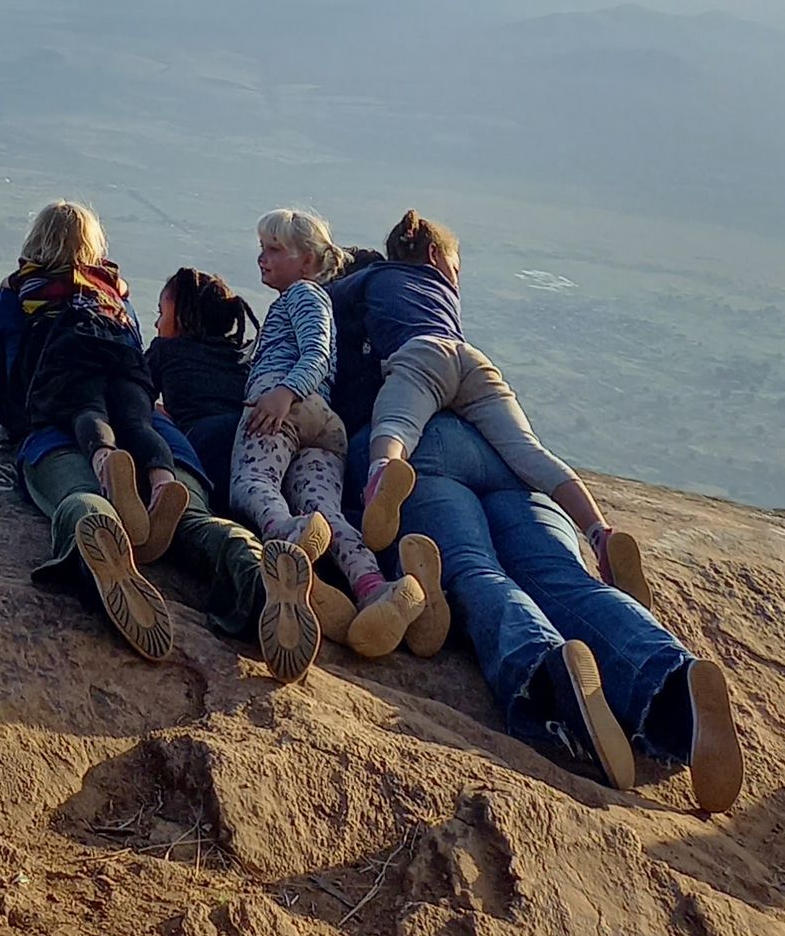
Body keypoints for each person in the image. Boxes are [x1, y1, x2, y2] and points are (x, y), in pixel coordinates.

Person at [0, 207, 319, 680]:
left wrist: (25, 428)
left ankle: (101, 544)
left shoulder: (12, 300)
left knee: (79, 497)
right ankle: (255, 569)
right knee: (195, 519)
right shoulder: (114, 299)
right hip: (153, 429)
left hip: (55, 428)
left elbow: (6, 399)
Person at [382, 413, 744, 813]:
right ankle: (672, 686)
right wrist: (597, 530)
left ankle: (551, 677)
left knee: (474, 569)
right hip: (513, 467)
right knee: (561, 579)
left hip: (419, 457)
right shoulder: (464, 364)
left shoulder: (358, 368)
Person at [354, 212, 648, 604]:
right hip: (471, 360)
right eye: (455, 267)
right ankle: (600, 533)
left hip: (419, 355)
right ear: (434, 254)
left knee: (395, 425)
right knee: (527, 449)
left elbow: (333, 290)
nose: (456, 278)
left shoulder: (377, 277)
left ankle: (382, 478)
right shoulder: (441, 287)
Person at [227, 209, 422, 659]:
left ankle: (286, 538)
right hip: (323, 426)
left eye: (275, 250)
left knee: (250, 484)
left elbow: (314, 351)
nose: (262, 258)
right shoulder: (312, 298)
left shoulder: (303, 296)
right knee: (325, 511)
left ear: (310, 261)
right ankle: (373, 587)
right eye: (262, 248)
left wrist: (283, 393)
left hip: (284, 407)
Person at [0, 200, 190, 561]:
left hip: (71, 363)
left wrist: (21, 422)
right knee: (137, 422)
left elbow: (5, 374)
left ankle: (106, 464)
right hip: (125, 364)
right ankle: (163, 482)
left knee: (88, 413)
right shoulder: (112, 287)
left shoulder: (27, 284)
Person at [145, 265, 257, 508]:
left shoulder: (164, 349)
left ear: (181, 316)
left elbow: (137, 393)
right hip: (248, 437)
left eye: (160, 312)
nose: (156, 323)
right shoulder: (239, 355)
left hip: (203, 439)